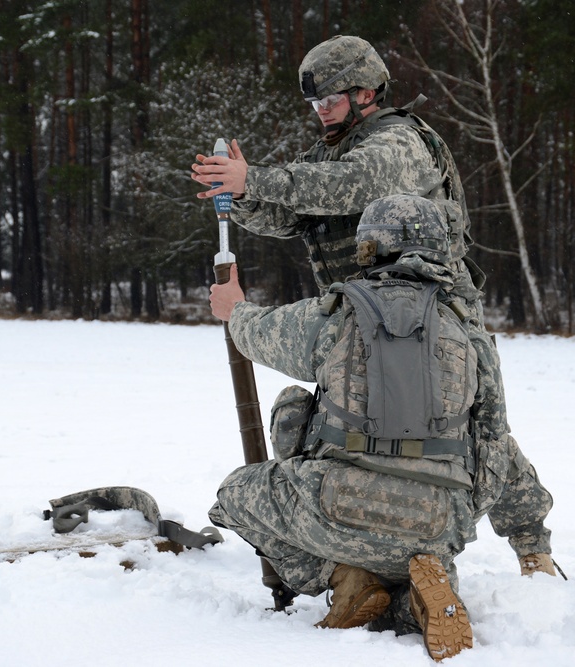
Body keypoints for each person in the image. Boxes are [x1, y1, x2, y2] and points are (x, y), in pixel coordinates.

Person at [193, 35, 555, 576]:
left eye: (329, 100)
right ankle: (365, 548)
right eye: (314, 104)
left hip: (435, 320)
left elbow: (345, 186)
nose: (320, 112)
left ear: (365, 92)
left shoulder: (399, 142)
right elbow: (296, 215)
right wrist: (243, 195)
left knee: (477, 431)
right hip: (361, 322)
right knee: (353, 432)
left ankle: (532, 549)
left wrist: (256, 178)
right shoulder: (333, 150)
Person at [208, 195, 541, 661]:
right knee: (413, 558)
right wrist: (461, 521)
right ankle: (415, 600)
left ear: (368, 247)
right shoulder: (471, 334)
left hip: (335, 508)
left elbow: (254, 334)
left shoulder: (335, 315)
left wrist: (235, 307)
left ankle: (344, 577)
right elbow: (495, 450)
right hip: (435, 522)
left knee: (233, 495)